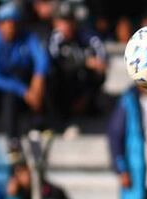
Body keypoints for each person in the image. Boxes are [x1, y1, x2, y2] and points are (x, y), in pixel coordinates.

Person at [0, 2, 50, 150]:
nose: (10, 27)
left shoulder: (27, 37)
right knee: (9, 94)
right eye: (6, 23)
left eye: (13, 23)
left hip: (28, 90)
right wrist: (23, 90)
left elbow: (41, 59)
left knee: (43, 79)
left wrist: (38, 79)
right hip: (4, 94)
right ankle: (12, 138)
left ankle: (39, 122)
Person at [46, 0, 107, 131]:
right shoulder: (54, 39)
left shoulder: (85, 36)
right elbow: (57, 63)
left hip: (82, 88)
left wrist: (97, 62)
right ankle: (58, 119)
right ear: (55, 23)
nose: (66, 26)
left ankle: (86, 105)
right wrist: (84, 61)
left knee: (97, 74)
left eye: (69, 21)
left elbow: (100, 54)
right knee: (53, 74)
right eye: (63, 21)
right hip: (63, 89)